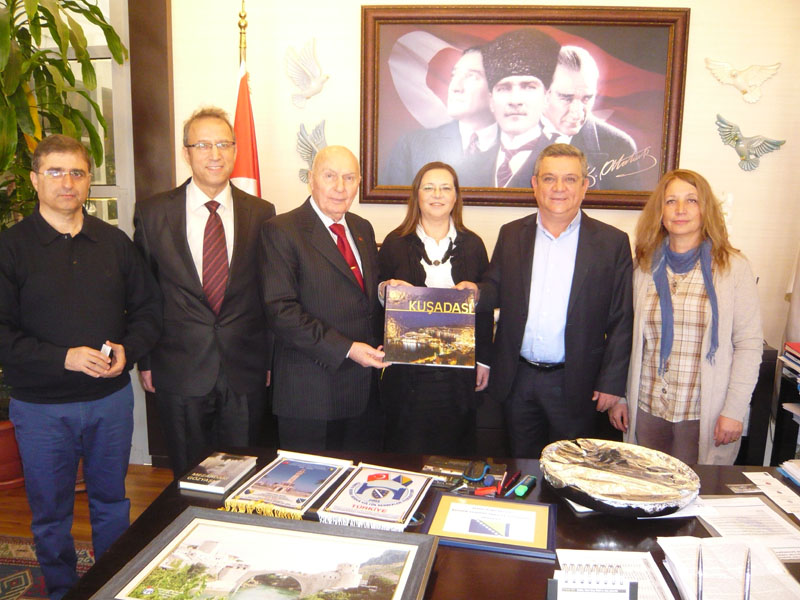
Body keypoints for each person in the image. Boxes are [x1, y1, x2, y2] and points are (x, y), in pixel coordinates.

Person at [0, 134, 162, 600]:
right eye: (55, 172)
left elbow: (150, 311)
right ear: (35, 180)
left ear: (89, 180)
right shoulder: (10, 248)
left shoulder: (114, 243)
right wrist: (63, 357)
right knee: (51, 515)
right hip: (41, 410)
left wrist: (129, 351)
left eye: (77, 172)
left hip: (109, 403)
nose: (67, 182)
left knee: (112, 503)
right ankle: (61, 591)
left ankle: (111, 586)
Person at [460, 143, 633, 458]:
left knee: (570, 471)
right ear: (535, 184)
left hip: (577, 382)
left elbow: (622, 319)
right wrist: (475, 292)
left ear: (584, 186)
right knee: (522, 468)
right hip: (518, 379)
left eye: (570, 179)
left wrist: (612, 383)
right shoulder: (512, 234)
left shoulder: (612, 243)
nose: (559, 188)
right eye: (550, 178)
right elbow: (494, 286)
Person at [134, 107, 276, 477]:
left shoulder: (262, 213)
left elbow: (268, 294)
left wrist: (268, 360)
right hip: (179, 369)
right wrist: (146, 362)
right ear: (187, 153)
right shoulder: (152, 213)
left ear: (235, 151)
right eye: (203, 145)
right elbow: (143, 295)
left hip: (244, 370)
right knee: (188, 475)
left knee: (244, 475)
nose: (215, 154)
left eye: (224, 144)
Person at [609, 169, 762, 465]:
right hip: (648, 408)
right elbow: (626, 336)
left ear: (706, 209)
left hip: (704, 414)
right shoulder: (643, 266)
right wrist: (621, 397)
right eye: (671, 201)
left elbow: (749, 344)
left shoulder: (732, 268)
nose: (680, 209)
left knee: (698, 489)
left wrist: (734, 410)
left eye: (691, 200)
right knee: (648, 486)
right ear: (660, 212)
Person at [260, 145, 388, 452]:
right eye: (330, 176)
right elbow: (281, 311)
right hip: (311, 396)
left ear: (358, 183)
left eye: (349, 178)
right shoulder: (281, 230)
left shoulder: (362, 228)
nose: (340, 187)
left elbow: (361, 299)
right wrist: (347, 349)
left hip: (362, 393)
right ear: (311, 179)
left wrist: (387, 294)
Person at [377, 161, 492, 455]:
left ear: (456, 196)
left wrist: (484, 361)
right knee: (407, 454)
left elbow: (484, 309)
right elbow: (374, 303)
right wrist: (386, 291)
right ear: (417, 195)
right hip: (407, 375)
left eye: (445, 188)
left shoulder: (474, 245)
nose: (437, 194)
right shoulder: (394, 243)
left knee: (455, 455)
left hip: (458, 377)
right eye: (429, 188)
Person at [459, 28, 561, 188]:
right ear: (491, 100)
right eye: (504, 88)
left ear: (546, 97)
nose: (515, 100)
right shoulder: (472, 167)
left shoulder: (564, 162)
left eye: (528, 87)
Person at [383, 47, 497, 185]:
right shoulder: (411, 146)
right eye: (454, 75)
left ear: (498, 87)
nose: (455, 87)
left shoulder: (518, 148)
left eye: (471, 76)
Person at [542, 46, 639, 191]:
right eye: (566, 98)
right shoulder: (511, 135)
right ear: (544, 92)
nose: (577, 112)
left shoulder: (619, 146)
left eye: (586, 98)